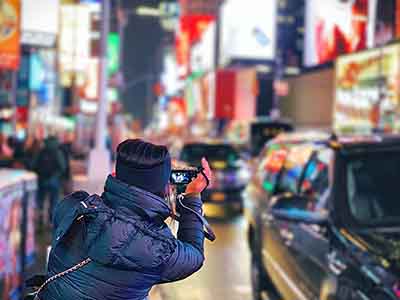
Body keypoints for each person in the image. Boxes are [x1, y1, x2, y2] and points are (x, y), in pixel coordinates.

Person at [40, 139, 212, 300]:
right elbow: (194, 255)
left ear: (115, 173)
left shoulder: (73, 208)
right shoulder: (158, 250)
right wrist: (193, 196)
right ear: (162, 186)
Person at [32, 136, 66, 227]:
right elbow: (63, 167)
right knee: (54, 201)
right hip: (54, 181)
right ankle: (51, 221)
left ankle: (39, 220)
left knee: (40, 201)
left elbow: (34, 164)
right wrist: (55, 176)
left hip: (41, 180)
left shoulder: (41, 152)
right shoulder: (58, 152)